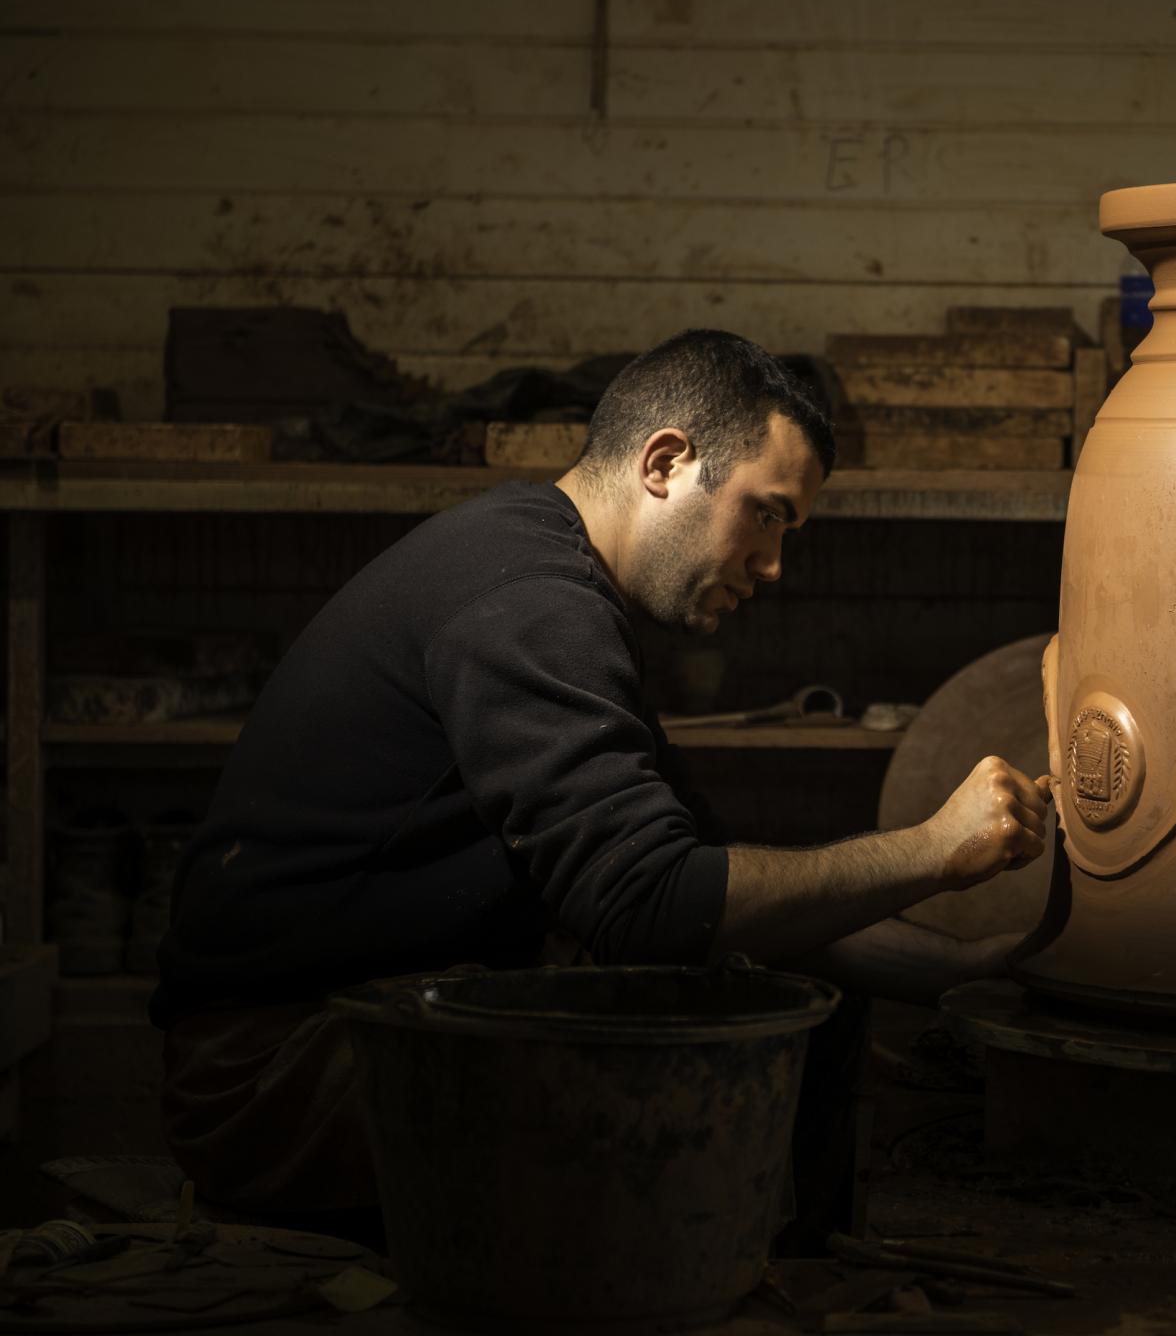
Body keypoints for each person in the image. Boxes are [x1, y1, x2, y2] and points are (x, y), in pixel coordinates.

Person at [152, 329, 1053, 1234]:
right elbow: (655, 909)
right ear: (666, 462)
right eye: (767, 514)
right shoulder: (530, 600)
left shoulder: (554, 581)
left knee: (795, 1004)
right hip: (277, 1070)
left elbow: (711, 891)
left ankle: (773, 1279)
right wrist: (935, 850)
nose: (774, 565)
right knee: (712, 1057)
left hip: (388, 1015)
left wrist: (967, 970)